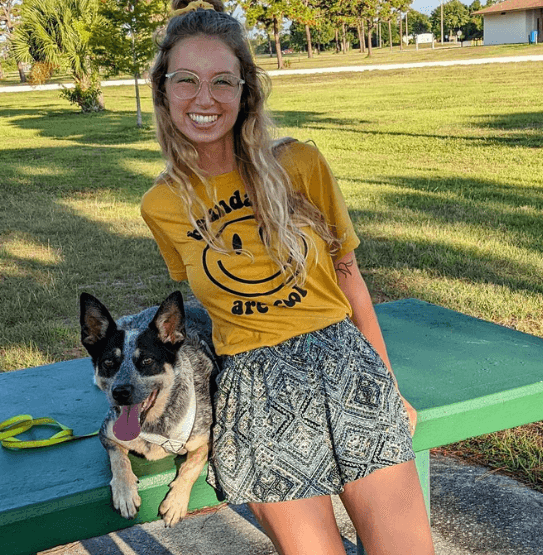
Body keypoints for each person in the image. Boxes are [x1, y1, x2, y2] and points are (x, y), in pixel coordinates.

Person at [141, 1, 435, 553]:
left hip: (346, 365)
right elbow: (209, 309)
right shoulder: (162, 204)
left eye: (223, 81)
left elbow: (348, 274)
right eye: (186, 80)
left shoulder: (297, 163)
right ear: (163, 91)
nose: (205, 99)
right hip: (256, 389)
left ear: (246, 91)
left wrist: (388, 383)